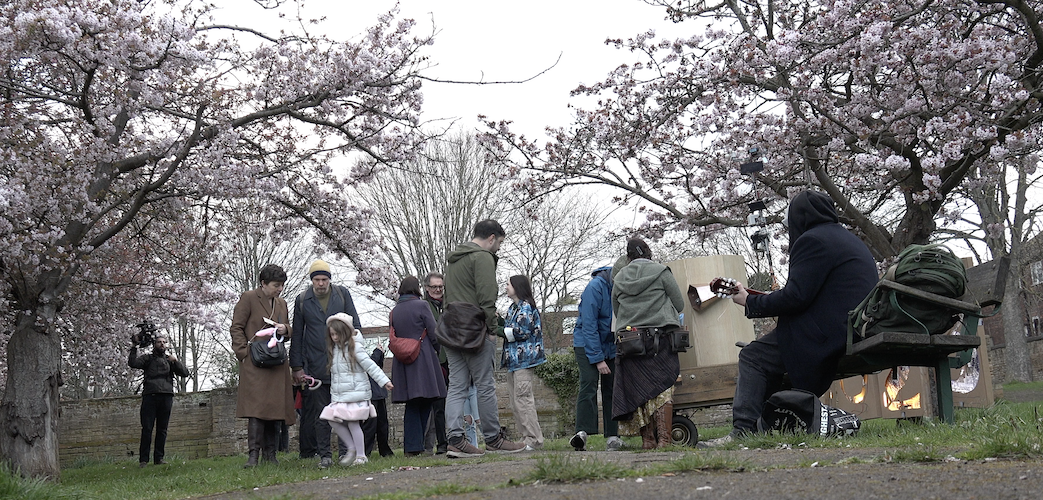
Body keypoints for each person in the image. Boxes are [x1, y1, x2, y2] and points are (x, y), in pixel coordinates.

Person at [700, 190, 878, 447]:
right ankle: (768, 426)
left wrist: (749, 301)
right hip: (850, 326)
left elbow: (796, 297)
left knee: (753, 356)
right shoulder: (849, 240)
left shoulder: (812, 240)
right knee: (769, 357)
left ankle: (743, 433)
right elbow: (813, 293)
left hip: (827, 333)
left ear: (800, 217)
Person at [442, 219, 527, 457]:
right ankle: (493, 439)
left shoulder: (454, 260)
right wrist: (491, 329)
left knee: (457, 386)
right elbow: (487, 297)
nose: (498, 248)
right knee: (485, 385)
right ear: (491, 238)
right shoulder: (483, 258)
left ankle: (456, 440)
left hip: (451, 327)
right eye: (499, 243)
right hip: (475, 329)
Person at [611, 238, 684, 449]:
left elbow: (617, 310)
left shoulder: (619, 278)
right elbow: (678, 304)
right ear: (648, 252)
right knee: (662, 388)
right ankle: (665, 440)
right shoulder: (661, 272)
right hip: (659, 340)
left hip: (629, 341)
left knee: (637, 389)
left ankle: (647, 440)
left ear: (628, 256)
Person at [290, 259, 363, 469]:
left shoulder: (342, 295)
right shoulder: (302, 300)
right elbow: (297, 334)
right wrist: (297, 366)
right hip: (316, 366)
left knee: (343, 412)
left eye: (324, 279)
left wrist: (358, 354)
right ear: (311, 281)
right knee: (321, 414)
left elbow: (355, 324)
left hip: (343, 364)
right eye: (316, 279)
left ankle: (345, 452)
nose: (320, 283)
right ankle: (325, 455)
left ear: (330, 280)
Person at [231, 263, 296, 467]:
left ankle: (271, 454)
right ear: (263, 283)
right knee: (256, 410)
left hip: (276, 362)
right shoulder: (249, 298)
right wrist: (244, 353)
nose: (279, 289)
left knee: (275, 409)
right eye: (276, 285)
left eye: (282, 285)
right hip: (255, 363)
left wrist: (285, 329)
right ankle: (253, 456)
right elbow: (236, 327)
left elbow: (286, 330)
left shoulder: (282, 303)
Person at [320, 313, 393, 466]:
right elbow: (336, 377)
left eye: (337, 334)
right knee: (330, 418)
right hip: (340, 396)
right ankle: (351, 448)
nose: (334, 337)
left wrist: (384, 380)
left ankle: (361, 455)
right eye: (332, 334)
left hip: (356, 394)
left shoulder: (355, 348)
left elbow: (370, 366)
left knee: (353, 424)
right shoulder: (336, 350)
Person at [389, 276, 448, 456]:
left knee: (414, 402)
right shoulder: (422, 306)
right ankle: (414, 447)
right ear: (417, 289)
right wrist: (439, 350)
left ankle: (414, 446)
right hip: (423, 359)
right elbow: (433, 331)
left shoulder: (395, 311)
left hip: (403, 361)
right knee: (424, 401)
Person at [570, 264, 622, 452]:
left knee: (612, 387)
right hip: (586, 343)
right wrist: (598, 359)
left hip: (610, 345)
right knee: (589, 383)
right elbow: (589, 325)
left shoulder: (619, 287)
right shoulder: (595, 287)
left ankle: (613, 436)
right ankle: (582, 433)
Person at [128, 329, 191, 468]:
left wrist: (176, 362)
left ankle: (159, 458)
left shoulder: (170, 360)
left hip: (166, 396)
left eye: (164, 342)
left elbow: (185, 373)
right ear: (154, 344)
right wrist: (134, 346)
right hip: (150, 396)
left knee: (162, 429)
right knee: (147, 428)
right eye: (159, 342)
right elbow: (133, 363)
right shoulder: (147, 359)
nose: (162, 344)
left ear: (167, 345)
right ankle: (143, 460)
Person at [502, 275, 547, 449]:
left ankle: (534, 440)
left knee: (523, 399)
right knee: (515, 403)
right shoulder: (514, 308)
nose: (506, 287)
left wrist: (499, 329)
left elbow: (520, 332)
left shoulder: (526, 308)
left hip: (524, 361)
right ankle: (526, 438)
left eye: (508, 284)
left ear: (517, 286)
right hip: (513, 361)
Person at [421, 272, 450, 455]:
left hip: (451, 359)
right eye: (434, 287)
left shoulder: (449, 305)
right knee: (437, 406)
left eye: (440, 286)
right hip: (432, 361)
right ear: (427, 288)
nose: (438, 290)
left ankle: (452, 439)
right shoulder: (423, 306)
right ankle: (439, 443)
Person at [361, 343, 394, 458]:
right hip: (370, 393)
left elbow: (377, 366)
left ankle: (384, 450)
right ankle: (365, 451)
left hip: (377, 392)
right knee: (371, 425)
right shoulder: (358, 350)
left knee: (382, 425)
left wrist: (380, 353)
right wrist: (377, 352)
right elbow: (370, 365)